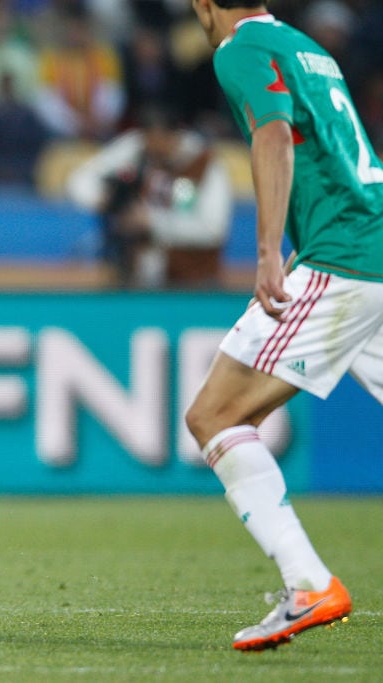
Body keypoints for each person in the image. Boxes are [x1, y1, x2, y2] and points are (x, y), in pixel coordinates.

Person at [185, 0, 383, 651]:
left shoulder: (238, 49)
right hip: (367, 244)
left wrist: (268, 250)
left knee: (214, 415)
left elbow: (272, 135)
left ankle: (308, 584)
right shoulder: (308, 47)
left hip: (345, 258)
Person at [66, 103, 233, 288]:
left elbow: (212, 230)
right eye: (150, 144)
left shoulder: (200, 164)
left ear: (175, 136)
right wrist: (105, 199)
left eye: (161, 146)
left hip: (192, 279)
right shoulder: (136, 149)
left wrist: (152, 222)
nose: (155, 154)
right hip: (137, 275)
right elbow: (81, 181)